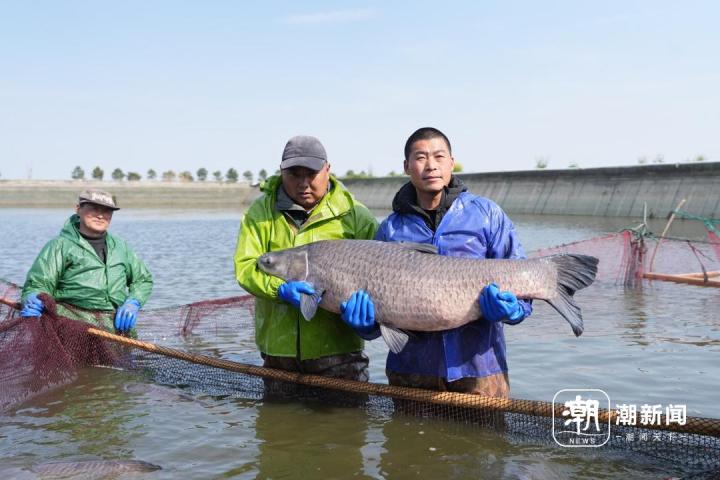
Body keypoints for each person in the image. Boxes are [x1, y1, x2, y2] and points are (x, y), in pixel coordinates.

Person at [339, 127, 532, 397]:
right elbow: (379, 314)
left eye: (439, 156)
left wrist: (514, 310)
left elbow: (522, 278)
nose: (431, 165)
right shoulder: (390, 230)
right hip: (411, 370)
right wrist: (367, 326)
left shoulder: (487, 215)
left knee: (486, 439)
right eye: (420, 157)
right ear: (406, 166)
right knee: (407, 439)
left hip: (479, 369)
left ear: (451, 163)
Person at [234, 135, 378, 381]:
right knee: (278, 419)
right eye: (294, 174)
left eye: (311, 174)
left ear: (327, 170)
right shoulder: (260, 212)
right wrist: (278, 290)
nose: (303, 183)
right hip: (278, 352)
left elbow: (386, 270)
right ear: (281, 172)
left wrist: (371, 325)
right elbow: (246, 267)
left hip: (340, 353)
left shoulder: (355, 215)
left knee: (348, 419)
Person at [20, 189, 153, 334]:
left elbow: (143, 280)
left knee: (126, 357)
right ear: (78, 209)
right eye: (94, 209)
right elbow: (39, 283)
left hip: (117, 330)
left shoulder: (121, 247)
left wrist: (134, 302)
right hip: (72, 328)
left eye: (107, 211)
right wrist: (33, 297)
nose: (101, 215)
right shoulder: (59, 246)